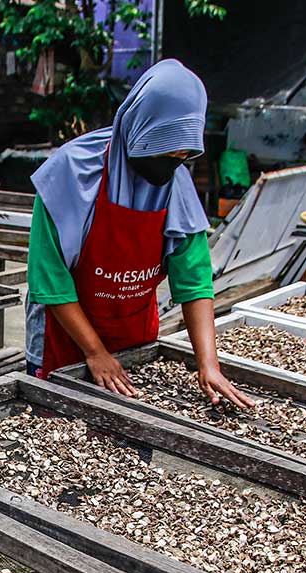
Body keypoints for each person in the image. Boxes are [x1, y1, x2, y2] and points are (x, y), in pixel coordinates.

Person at [25, 59, 254, 409]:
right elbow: (50, 280)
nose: (175, 162)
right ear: (142, 130)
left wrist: (208, 365)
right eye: (167, 149)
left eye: (184, 154)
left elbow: (194, 281)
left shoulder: (175, 184)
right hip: (65, 341)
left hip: (133, 341)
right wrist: (95, 351)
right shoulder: (71, 174)